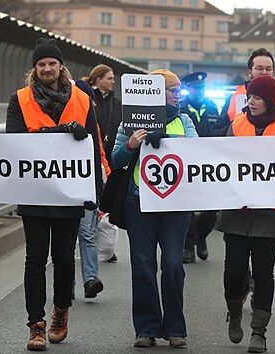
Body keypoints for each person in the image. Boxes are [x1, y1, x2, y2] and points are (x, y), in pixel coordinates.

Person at [5, 38, 103, 351]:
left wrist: (93, 193)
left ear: (61, 66)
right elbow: (15, 141)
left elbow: (92, 148)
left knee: (63, 258)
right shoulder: (19, 99)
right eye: (41, 64)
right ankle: (36, 324)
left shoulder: (83, 98)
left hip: (69, 194)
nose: (47, 68)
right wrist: (56, 133)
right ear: (34, 69)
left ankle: (61, 311)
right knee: (35, 259)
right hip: (34, 192)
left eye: (51, 63)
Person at [111, 69, 197, 348]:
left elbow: (197, 154)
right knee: (143, 265)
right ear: (156, 93)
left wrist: (170, 141)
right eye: (173, 90)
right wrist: (132, 145)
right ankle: (146, 328)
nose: (178, 95)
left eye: (178, 90)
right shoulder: (129, 123)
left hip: (176, 203)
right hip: (139, 202)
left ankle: (175, 328)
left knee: (173, 264)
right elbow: (114, 159)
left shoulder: (184, 120)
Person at [216, 75, 275, 353]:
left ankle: (259, 332)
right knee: (234, 270)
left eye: (257, 98)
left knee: (264, 273)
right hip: (237, 210)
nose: (250, 102)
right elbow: (222, 160)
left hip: (270, 212)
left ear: (270, 100)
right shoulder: (236, 124)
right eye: (249, 97)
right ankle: (235, 311)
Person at [71, 80, 109, 300]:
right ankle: (67, 284)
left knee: (87, 234)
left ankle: (90, 280)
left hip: (86, 187)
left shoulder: (92, 123)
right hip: (67, 187)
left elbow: (99, 153)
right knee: (65, 239)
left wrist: (101, 186)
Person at [214, 47, 275, 136]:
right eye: (259, 68)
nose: (264, 72)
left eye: (268, 69)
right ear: (249, 72)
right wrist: (236, 126)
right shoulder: (233, 99)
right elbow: (215, 134)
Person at [179, 71, 220, 263]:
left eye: (203, 88)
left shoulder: (212, 108)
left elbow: (220, 131)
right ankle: (189, 246)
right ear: (188, 89)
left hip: (208, 165)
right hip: (186, 164)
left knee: (211, 210)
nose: (201, 91)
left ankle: (201, 237)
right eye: (197, 88)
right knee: (187, 207)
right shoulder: (180, 108)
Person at [83, 64, 122, 263]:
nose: (112, 81)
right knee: (93, 205)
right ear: (97, 79)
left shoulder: (117, 104)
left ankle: (106, 246)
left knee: (107, 205)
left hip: (111, 160)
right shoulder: (88, 100)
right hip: (93, 160)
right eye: (109, 78)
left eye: (113, 78)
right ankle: (91, 244)